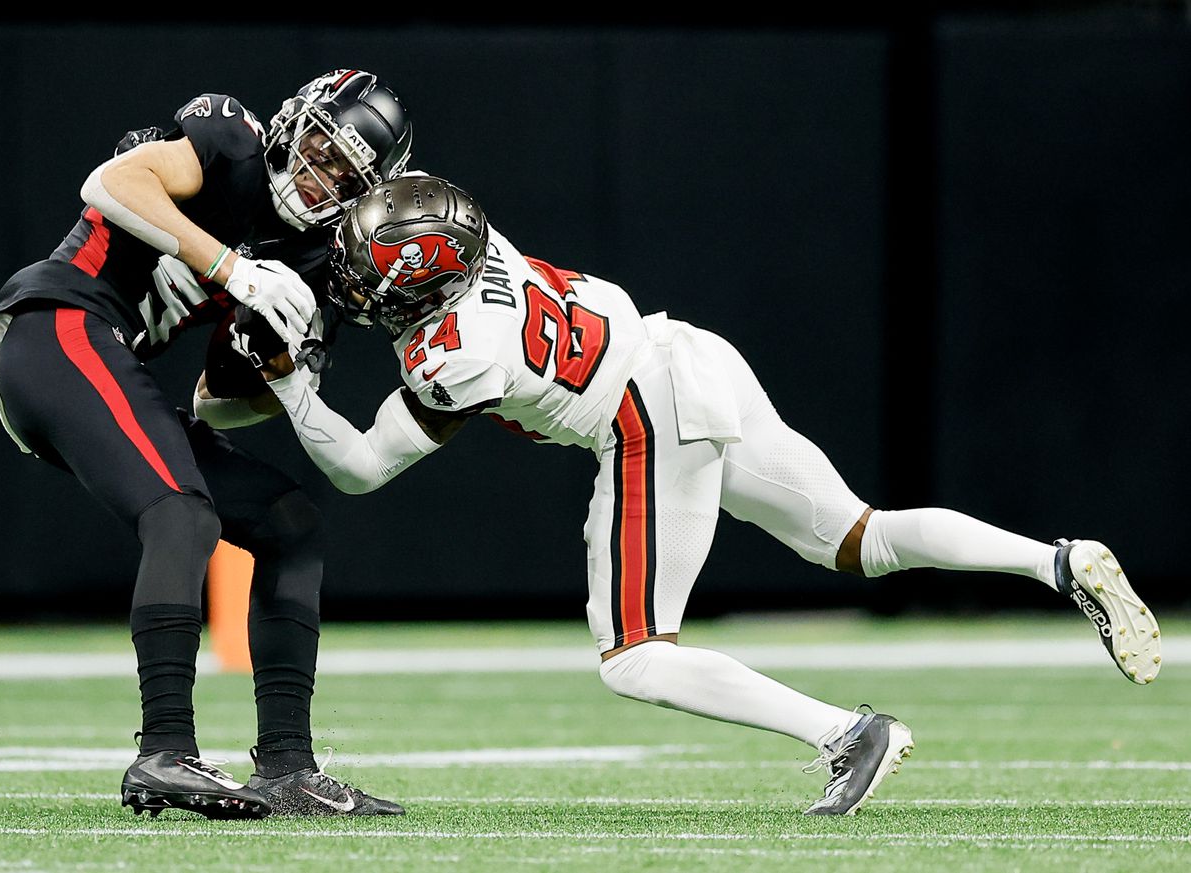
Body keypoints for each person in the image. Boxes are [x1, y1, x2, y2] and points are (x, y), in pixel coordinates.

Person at [217, 174, 1162, 816]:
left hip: (641, 418)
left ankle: (850, 734)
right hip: (686, 351)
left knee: (633, 654)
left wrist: (294, 383)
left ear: (419, 280)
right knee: (856, 537)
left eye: (364, 267)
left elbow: (362, 466)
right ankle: (1056, 559)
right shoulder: (473, 236)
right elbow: (407, 236)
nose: (349, 275)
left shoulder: (450, 354)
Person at [0, 70, 412, 819]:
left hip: (107, 363)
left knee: (289, 523)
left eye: (343, 177)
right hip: (60, 326)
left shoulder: (306, 260)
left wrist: (285, 377)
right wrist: (231, 269)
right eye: (321, 151)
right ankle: (164, 750)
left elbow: (211, 407)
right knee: (182, 514)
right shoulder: (230, 140)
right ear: (294, 124)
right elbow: (110, 183)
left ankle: (287, 766)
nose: (321, 179)